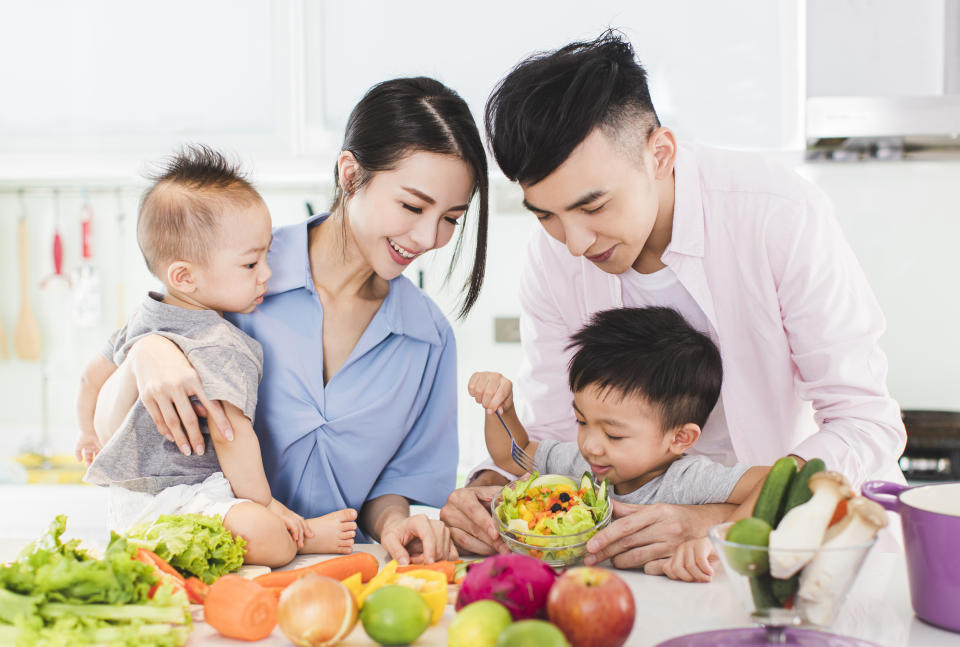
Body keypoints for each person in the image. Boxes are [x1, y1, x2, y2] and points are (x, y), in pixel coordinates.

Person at [441, 32, 906, 571]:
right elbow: (549, 431)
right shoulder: (553, 258)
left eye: (594, 205)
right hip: (631, 560)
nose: (574, 243)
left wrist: (719, 524)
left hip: (798, 547)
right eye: (545, 214)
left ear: (659, 153)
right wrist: (486, 488)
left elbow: (864, 419)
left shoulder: (777, 213)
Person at [79, 77, 490, 565]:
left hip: (337, 575)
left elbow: (393, 488)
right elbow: (114, 422)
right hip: (211, 567)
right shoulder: (237, 271)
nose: (428, 236)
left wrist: (397, 524)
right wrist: (145, 352)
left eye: (451, 218)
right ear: (351, 174)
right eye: (413, 205)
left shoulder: (429, 340)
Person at [76, 146, 357, 566]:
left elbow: (91, 377)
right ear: (184, 275)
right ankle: (304, 533)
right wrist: (269, 506)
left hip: (127, 504)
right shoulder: (221, 342)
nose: (267, 273)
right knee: (274, 542)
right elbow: (232, 435)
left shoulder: (143, 318)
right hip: (189, 496)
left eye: (266, 256)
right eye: (250, 264)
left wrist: (87, 434)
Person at [470, 306, 768, 582]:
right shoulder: (579, 465)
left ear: (679, 438)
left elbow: (781, 479)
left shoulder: (687, 481)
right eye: (581, 421)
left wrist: (718, 537)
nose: (591, 446)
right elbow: (511, 456)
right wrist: (501, 408)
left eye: (614, 435)